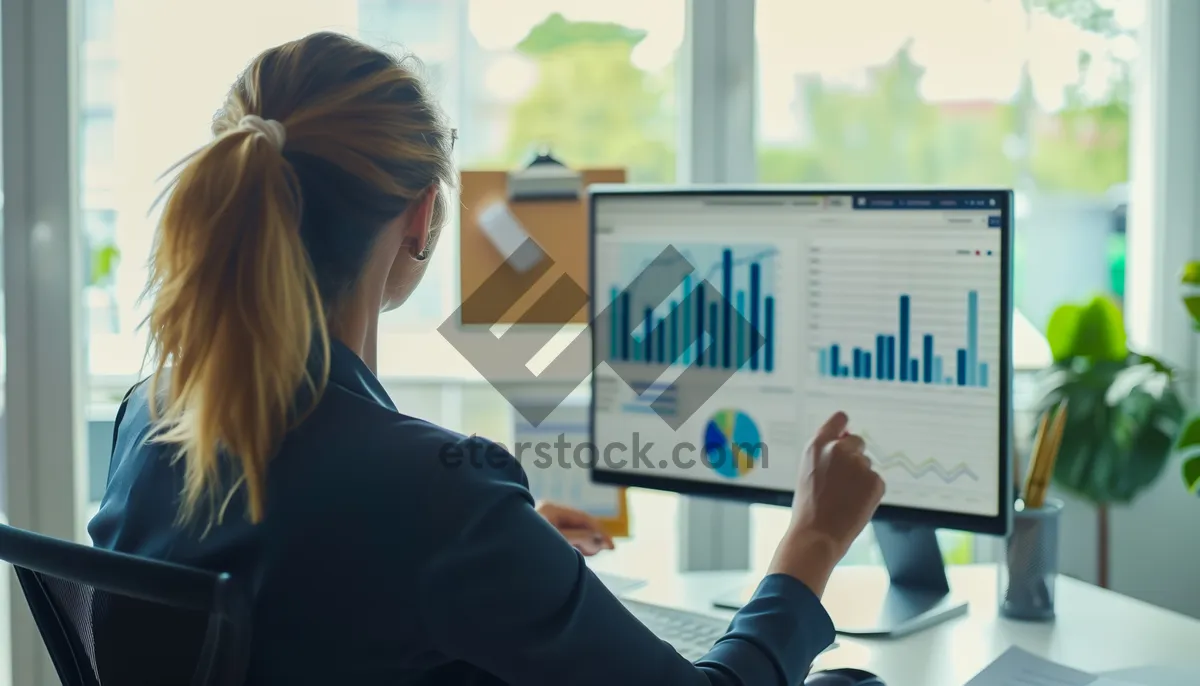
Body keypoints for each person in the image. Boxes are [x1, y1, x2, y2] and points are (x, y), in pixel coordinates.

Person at [89, 31, 885, 686]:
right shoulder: (434, 498)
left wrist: (508, 550)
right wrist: (811, 541)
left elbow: (303, 581)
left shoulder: (149, 418)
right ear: (421, 218)